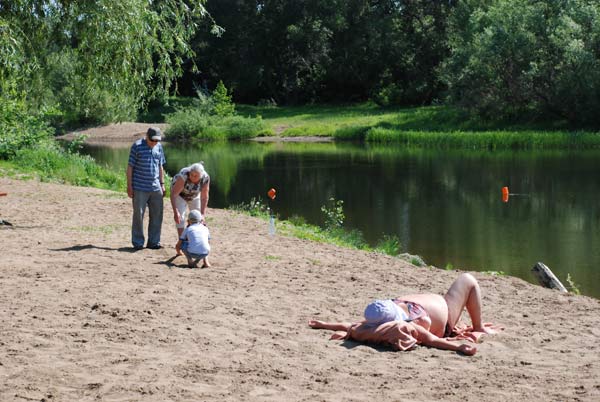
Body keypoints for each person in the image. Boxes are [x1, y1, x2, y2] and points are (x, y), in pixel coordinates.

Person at [308, 273, 498, 355]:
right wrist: (458, 347)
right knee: (468, 280)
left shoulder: (372, 324)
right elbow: (431, 340)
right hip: (446, 315)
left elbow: (350, 325)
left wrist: (324, 324)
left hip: (438, 308)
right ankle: (479, 326)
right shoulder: (407, 326)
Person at [126, 127, 166, 250]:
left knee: (157, 215)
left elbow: (160, 166)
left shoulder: (159, 147)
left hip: (155, 187)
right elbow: (130, 168)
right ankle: (138, 243)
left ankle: (154, 242)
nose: (155, 143)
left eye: (157, 140)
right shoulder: (137, 146)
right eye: (153, 140)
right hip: (139, 187)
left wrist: (162, 184)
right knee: (138, 215)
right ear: (147, 136)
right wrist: (129, 186)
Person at [170, 162, 210, 252]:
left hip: (194, 195)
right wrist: (175, 211)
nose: (193, 177)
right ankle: (182, 242)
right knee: (181, 218)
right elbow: (173, 195)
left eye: (196, 176)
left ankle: (193, 240)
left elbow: (204, 197)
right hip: (180, 195)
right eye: (192, 175)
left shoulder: (205, 178)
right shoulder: (184, 175)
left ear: (201, 175)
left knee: (198, 218)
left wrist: (203, 214)